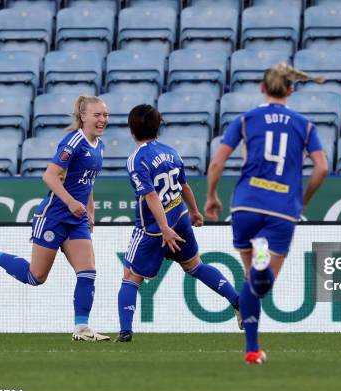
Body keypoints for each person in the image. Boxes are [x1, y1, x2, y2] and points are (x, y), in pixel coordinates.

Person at [205, 63, 328, 364]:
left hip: (246, 203)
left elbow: (218, 163)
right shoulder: (304, 124)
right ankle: (261, 268)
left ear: (262, 88)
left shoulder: (246, 119)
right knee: (261, 285)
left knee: (250, 279)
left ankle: (251, 349)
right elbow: (322, 167)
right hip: (282, 208)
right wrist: (303, 198)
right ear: (291, 90)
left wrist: (211, 195)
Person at [0, 95, 110, 341]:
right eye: (97, 115)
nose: (103, 120)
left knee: (88, 272)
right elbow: (50, 176)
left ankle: (82, 329)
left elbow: (87, 181)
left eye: (105, 115)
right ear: (83, 116)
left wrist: (90, 210)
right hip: (53, 217)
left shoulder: (100, 146)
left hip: (76, 221)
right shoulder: (73, 142)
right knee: (36, 277)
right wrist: (71, 202)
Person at [115, 104, 242, 342]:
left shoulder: (136, 160)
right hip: (180, 217)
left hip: (153, 229)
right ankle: (237, 301)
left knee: (131, 277)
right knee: (195, 266)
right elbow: (184, 186)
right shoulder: (172, 152)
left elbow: (151, 195)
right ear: (158, 128)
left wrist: (163, 228)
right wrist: (194, 211)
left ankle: (125, 331)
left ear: (131, 130)